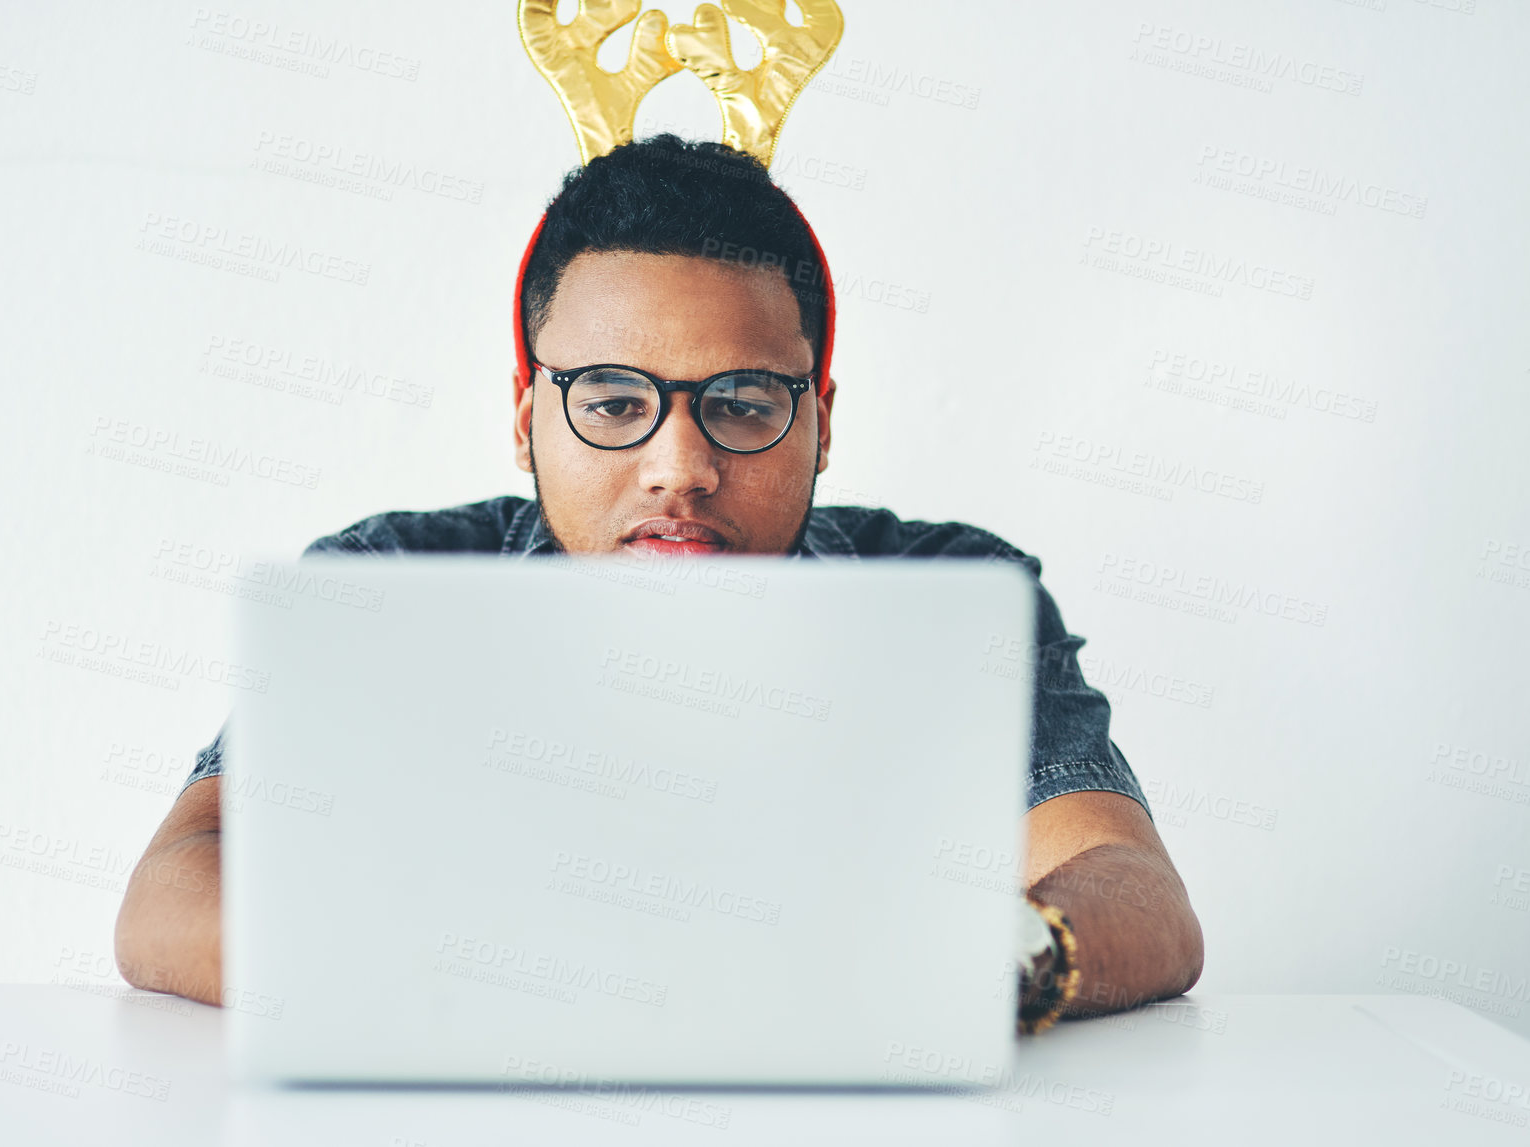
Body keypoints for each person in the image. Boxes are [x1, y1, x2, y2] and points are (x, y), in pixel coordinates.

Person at [114, 135, 1203, 1023]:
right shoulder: (388, 584)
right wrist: (464, 982)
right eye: (611, 399)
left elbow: (1130, 886)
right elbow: (173, 890)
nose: (678, 467)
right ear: (522, 414)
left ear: (819, 421)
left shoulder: (957, 596)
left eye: (739, 400)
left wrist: (955, 974)